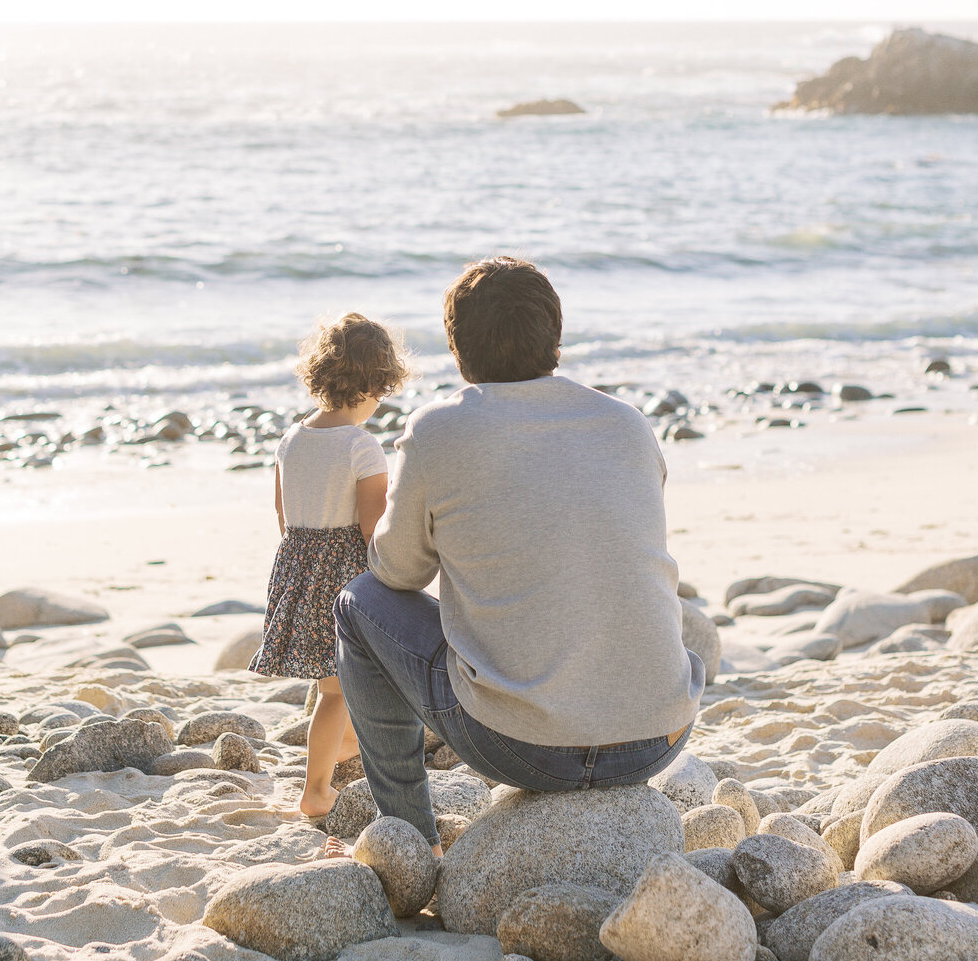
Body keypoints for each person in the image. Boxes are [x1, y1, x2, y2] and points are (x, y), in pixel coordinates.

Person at [334, 256, 702, 853]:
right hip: (658, 737)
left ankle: (409, 837)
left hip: (522, 747)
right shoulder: (629, 425)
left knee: (359, 601)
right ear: (555, 337)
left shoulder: (439, 431)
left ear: (458, 351)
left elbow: (397, 572)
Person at [249, 311, 410, 820]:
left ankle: (340, 751)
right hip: (344, 574)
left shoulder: (292, 439)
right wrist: (393, 579)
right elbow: (372, 526)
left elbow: (282, 513)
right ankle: (316, 790)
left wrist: (300, 569)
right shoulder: (362, 447)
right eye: (382, 390)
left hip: (296, 563)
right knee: (338, 691)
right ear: (370, 384)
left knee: (333, 686)